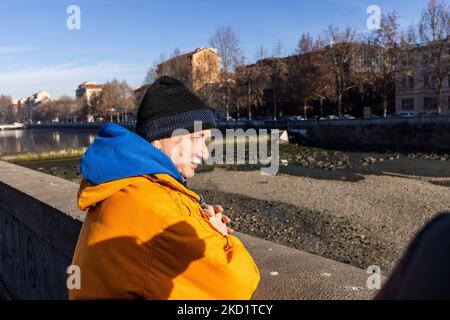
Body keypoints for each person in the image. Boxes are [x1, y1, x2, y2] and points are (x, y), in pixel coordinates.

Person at [69, 76, 260, 299]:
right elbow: (235, 285)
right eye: (196, 138)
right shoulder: (158, 210)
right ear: (158, 139)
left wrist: (198, 219)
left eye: (205, 141)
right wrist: (220, 235)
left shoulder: (126, 183)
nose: (205, 152)